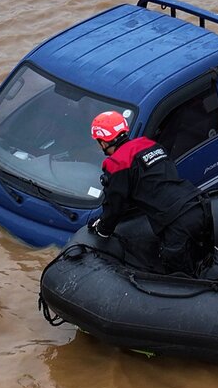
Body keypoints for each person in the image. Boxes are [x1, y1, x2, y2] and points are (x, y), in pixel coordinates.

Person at [88, 110, 210, 274]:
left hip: (177, 221)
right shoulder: (150, 145)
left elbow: (115, 206)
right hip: (199, 204)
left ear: (103, 143)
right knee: (207, 265)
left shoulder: (117, 163)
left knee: (181, 280)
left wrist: (102, 230)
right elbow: (157, 181)